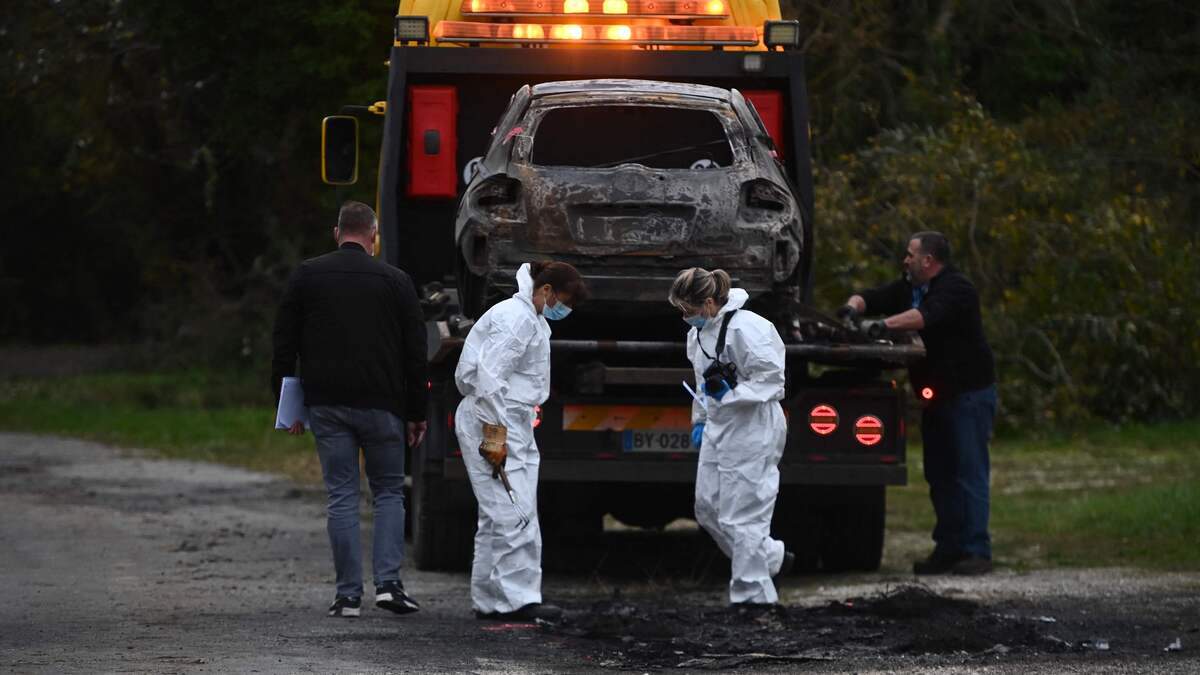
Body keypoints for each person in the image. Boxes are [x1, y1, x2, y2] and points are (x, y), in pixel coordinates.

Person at [271, 201, 429, 617]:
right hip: (384, 406)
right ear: (373, 237)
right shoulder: (396, 281)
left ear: (336, 232)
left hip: (327, 404)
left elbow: (283, 345)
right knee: (389, 493)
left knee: (341, 495)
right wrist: (417, 412)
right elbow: (416, 354)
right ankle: (389, 586)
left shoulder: (307, 275)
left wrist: (288, 408)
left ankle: (347, 597)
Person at [840, 231, 997, 576]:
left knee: (968, 472)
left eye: (911, 254)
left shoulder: (956, 289)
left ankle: (976, 551)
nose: (905, 260)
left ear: (929, 260)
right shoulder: (909, 287)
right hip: (938, 397)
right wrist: (853, 307)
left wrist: (880, 325)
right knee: (939, 473)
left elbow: (924, 316)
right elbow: (874, 296)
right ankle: (949, 548)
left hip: (968, 394)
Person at [454, 260, 588, 621]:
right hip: (494, 419)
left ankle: (490, 598)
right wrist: (495, 435)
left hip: (511, 420)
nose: (564, 311)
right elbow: (489, 379)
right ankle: (518, 600)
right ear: (546, 291)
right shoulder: (516, 320)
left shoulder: (532, 319)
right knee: (514, 511)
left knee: (501, 511)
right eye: (563, 302)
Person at [668, 267, 794, 606]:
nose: (685, 317)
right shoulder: (697, 335)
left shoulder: (750, 329)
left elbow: (772, 381)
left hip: (753, 427)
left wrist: (731, 394)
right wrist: (701, 418)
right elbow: (701, 384)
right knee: (708, 508)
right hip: (719, 426)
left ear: (709, 302)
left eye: (688, 310)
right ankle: (770, 558)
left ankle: (753, 599)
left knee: (746, 514)